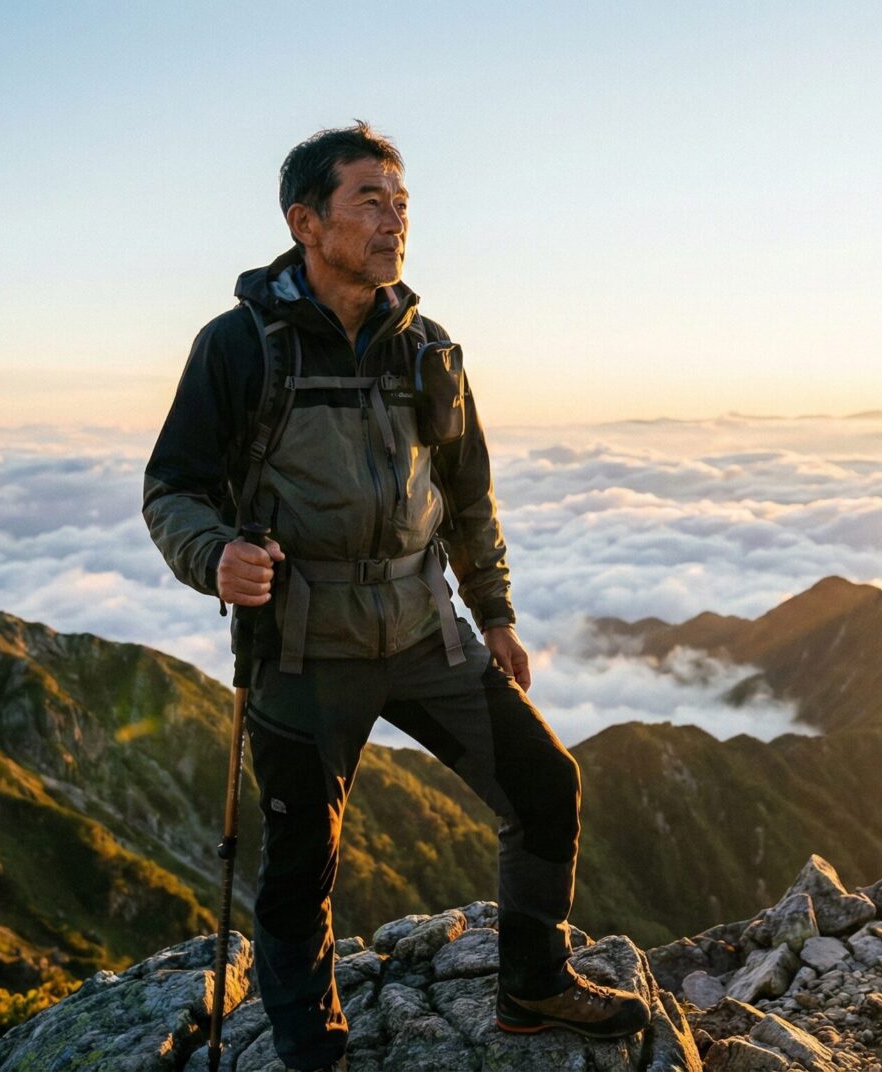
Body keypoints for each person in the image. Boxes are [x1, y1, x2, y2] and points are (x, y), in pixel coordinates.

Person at [142, 121, 649, 1072]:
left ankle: (533, 986)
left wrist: (492, 615)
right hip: (301, 646)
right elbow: (173, 486)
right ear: (305, 221)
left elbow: (466, 495)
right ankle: (313, 1054)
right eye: (369, 200)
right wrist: (213, 557)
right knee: (302, 872)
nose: (394, 220)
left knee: (544, 785)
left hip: (426, 632)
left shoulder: (430, 349)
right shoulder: (240, 349)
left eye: (402, 202)